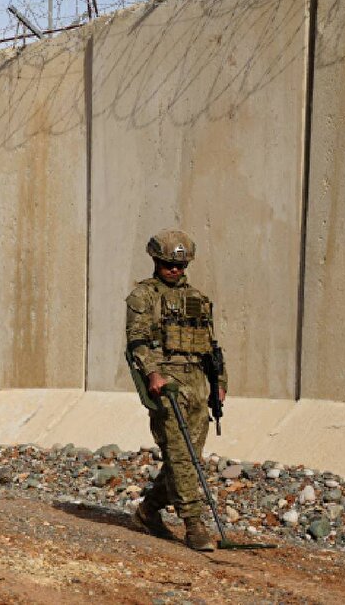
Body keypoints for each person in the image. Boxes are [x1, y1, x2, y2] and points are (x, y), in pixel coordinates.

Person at [126, 229, 228, 552]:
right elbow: (137, 342)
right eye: (170, 264)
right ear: (156, 261)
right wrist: (153, 373)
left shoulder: (197, 298)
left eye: (181, 266)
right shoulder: (144, 296)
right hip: (167, 383)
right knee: (181, 455)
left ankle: (147, 511)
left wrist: (220, 383)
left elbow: (211, 346)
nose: (175, 270)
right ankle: (194, 524)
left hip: (198, 383)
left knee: (186, 457)